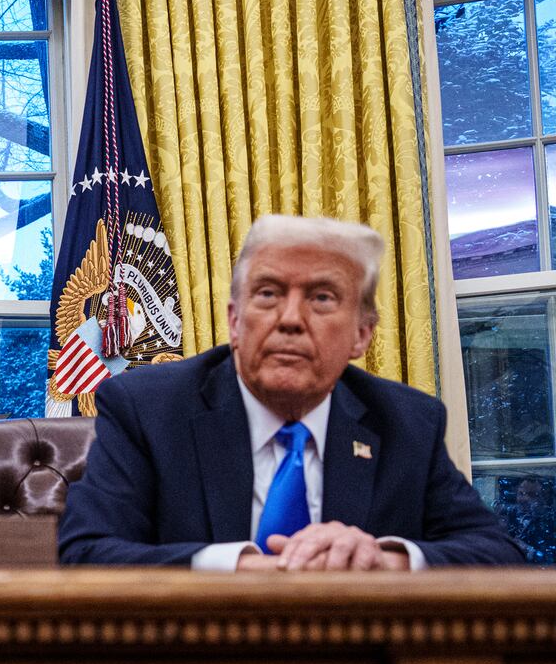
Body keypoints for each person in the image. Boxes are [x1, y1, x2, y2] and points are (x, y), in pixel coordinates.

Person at [58, 214, 522, 570]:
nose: (290, 319)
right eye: (267, 294)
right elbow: (86, 552)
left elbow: (498, 555)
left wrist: (380, 561)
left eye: (322, 297)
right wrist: (246, 570)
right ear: (236, 321)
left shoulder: (407, 423)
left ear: (362, 334)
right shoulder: (148, 409)